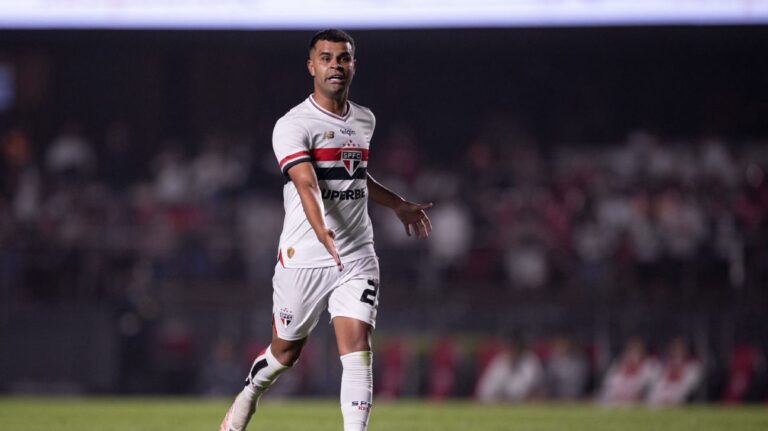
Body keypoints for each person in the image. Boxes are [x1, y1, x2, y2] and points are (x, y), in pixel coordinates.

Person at [220, 29, 433, 431]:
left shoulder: (364, 119)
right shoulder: (292, 124)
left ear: (353, 65)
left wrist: (397, 203)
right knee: (285, 355)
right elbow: (306, 184)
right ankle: (248, 395)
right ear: (311, 67)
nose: (335, 65)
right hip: (305, 255)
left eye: (343, 58)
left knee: (357, 350)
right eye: (326, 58)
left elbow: (355, 176)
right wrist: (321, 229)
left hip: (356, 253)